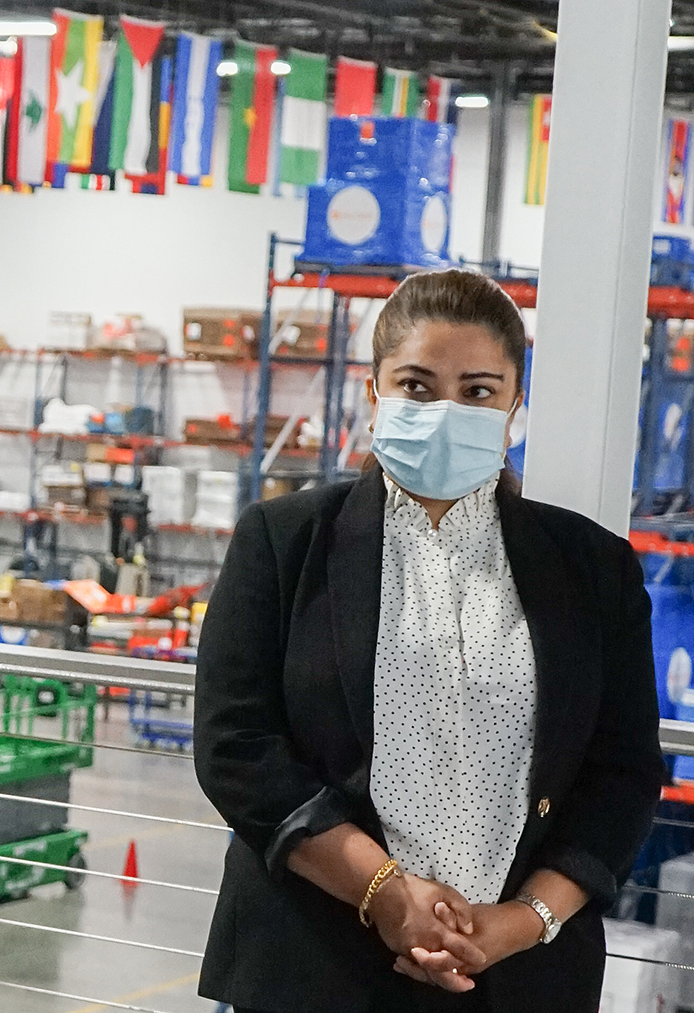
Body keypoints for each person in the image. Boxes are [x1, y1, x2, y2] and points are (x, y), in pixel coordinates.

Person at [193, 268, 662, 1013]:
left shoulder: (593, 569)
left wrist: (521, 922)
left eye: (477, 391)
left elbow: (624, 770)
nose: (446, 412)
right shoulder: (283, 542)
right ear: (374, 393)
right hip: (313, 966)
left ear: (513, 406)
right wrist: (383, 892)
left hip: (519, 977)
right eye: (416, 385)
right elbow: (235, 744)